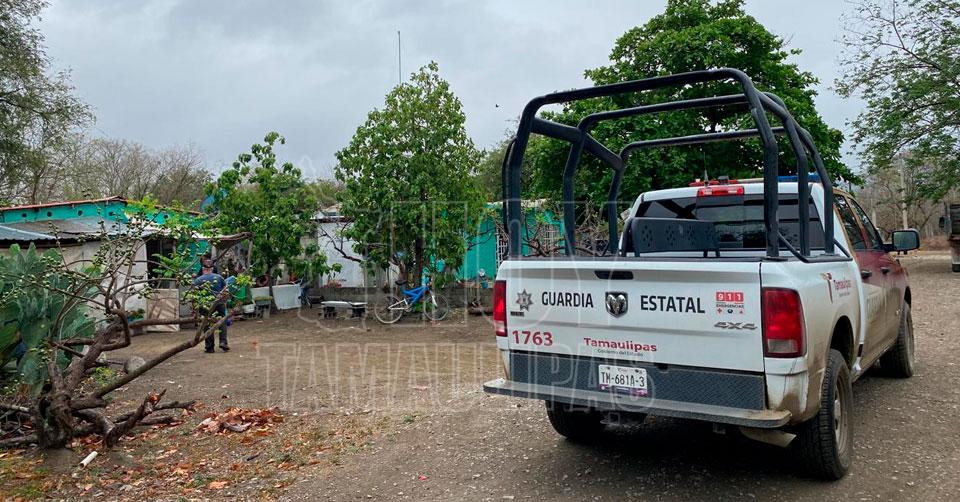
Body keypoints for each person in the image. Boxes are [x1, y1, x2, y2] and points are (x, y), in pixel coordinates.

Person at [193, 259, 229, 353]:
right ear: (212, 268)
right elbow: (226, 291)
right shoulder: (219, 278)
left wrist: (195, 309)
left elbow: (194, 296)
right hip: (219, 303)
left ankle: (209, 347)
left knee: (207, 324)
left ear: (203, 269)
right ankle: (223, 342)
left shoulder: (198, 280)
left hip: (205, 305)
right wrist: (224, 300)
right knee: (222, 322)